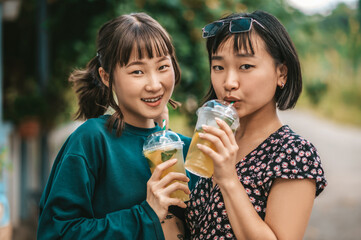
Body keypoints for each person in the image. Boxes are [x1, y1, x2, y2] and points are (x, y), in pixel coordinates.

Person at [37, 12, 196, 239]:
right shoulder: (92, 140)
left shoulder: (188, 149)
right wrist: (146, 214)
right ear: (105, 76)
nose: (154, 84)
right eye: (137, 71)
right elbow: (56, 233)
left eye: (162, 67)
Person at [185, 10, 327, 240]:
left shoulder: (293, 153)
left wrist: (229, 179)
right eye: (219, 67)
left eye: (246, 66)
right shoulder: (214, 139)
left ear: (281, 73)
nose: (228, 83)